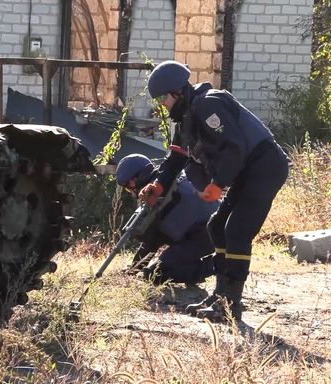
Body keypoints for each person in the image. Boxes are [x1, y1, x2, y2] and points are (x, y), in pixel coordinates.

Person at [138, 60, 290, 322]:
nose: (162, 104)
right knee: (217, 226)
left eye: (163, 98)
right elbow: (175, 159)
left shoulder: (209, 104)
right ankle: (220, 295)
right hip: (246, 172)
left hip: (265, 167)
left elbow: (234, 147)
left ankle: (231, 304)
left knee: (237, 231)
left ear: (177, 91)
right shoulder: (186, 119)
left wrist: (217, 183)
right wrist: (158, 185)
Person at [115, 153, 219, 286]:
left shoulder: (155, 195)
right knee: (163, 265)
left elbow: (151, 242)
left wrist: (134, 269)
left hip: (205, 234)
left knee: (154, 274)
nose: (131, 191)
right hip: (210, 228)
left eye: (128, 186)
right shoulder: (166, 179)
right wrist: (134, 269)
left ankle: (216, 265)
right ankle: (198, 269)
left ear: (135, 179)